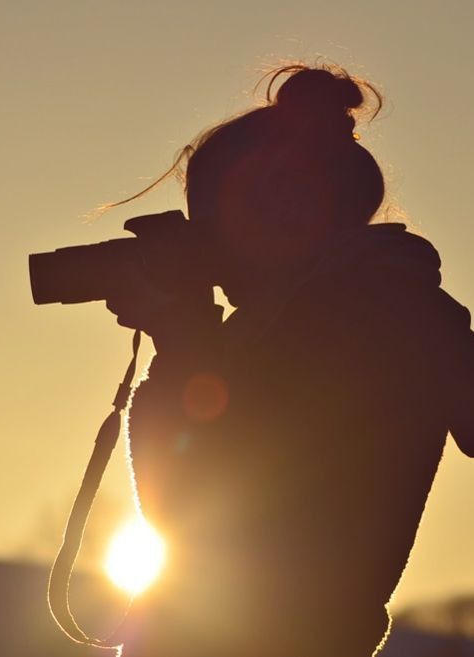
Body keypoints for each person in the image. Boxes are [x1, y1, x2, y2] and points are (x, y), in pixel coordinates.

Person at [106, 64, 474, 657]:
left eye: (213, 215)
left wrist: (184, 345)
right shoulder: (336, 314)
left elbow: (205, 513)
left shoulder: (369, 315)